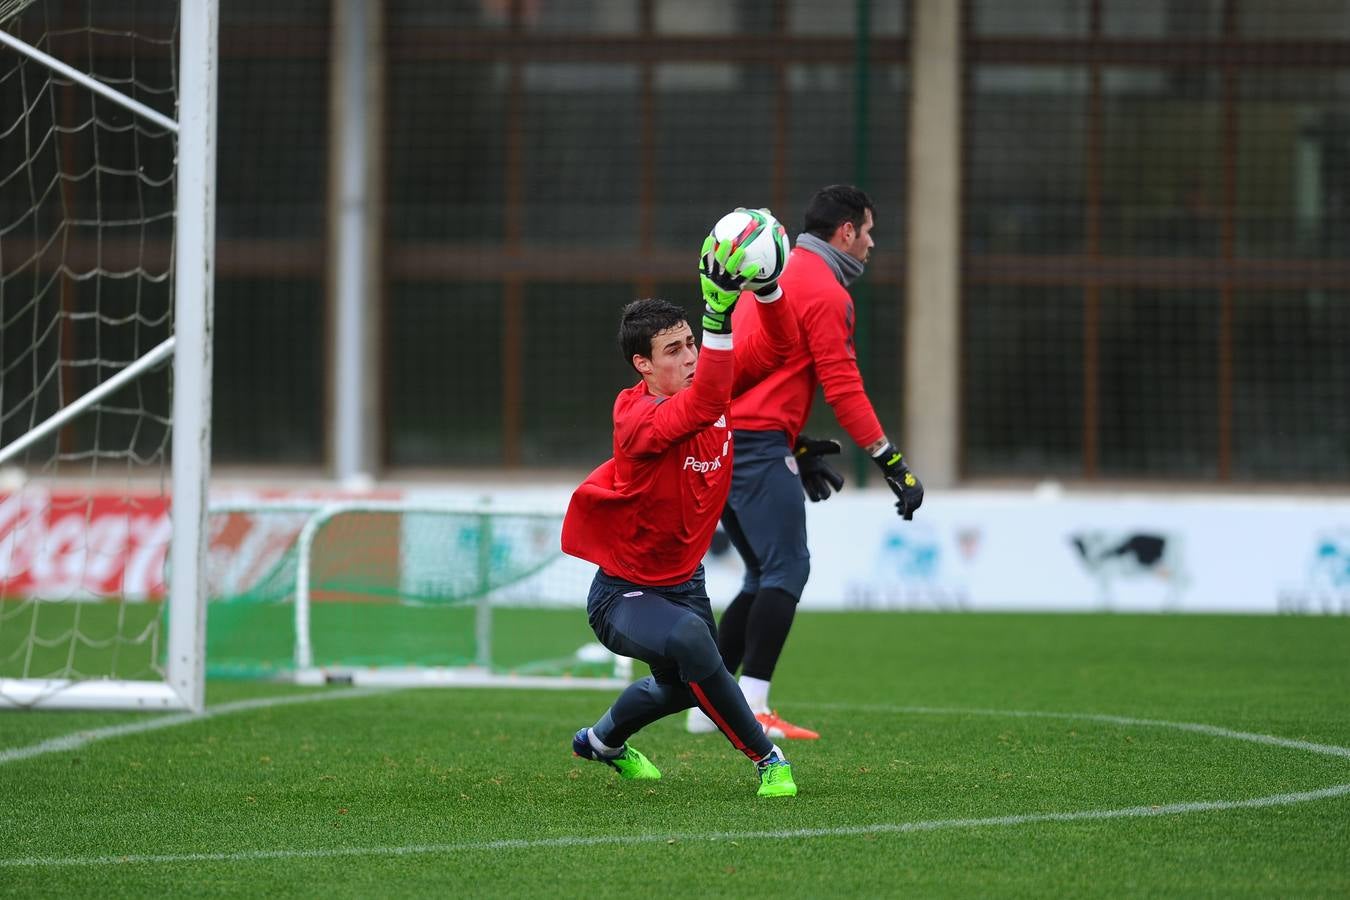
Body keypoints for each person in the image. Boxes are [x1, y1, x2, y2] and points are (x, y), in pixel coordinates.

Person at [562, 228, 802, 798]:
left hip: (682, 581)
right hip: (624, 594)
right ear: (642, 365)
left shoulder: (705, 386)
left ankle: (600, 742)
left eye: (694, 341)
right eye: (674, 350)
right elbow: (707, 403)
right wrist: (720, 314)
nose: (691, 355)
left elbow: (782, 347)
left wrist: (766, 291)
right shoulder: (637, 417)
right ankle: (768, 760)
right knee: (696, 642)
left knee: (684, 686)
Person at [687, 184, 924, 741]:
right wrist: (891, 462)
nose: (870, 244)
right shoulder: (826, 291)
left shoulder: (775, 272)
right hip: (754, 443)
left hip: (727, 436)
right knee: (787, 569)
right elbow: (844, 388)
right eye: (868, 232)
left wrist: (793, 443)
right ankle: (753, 707)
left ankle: (703, 706)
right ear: (846, 231)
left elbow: (747, 367)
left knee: (759, 575)